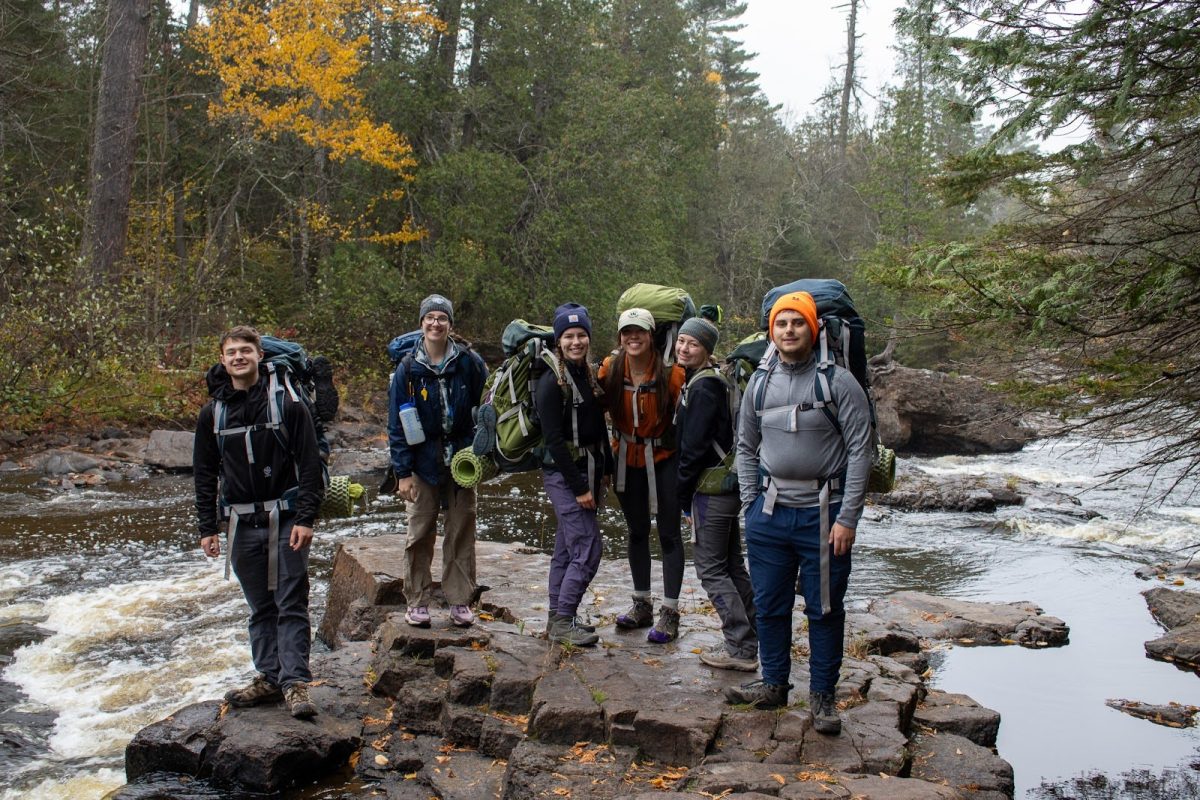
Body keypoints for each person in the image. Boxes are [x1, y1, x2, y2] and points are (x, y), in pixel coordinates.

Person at [725, 292, 872, 736]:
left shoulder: (839, 382)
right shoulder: (760, 383)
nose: (789, 331)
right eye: (782, 324)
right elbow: (746, 447)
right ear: (772, 331)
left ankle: (823, 698)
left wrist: (849, 517)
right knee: (769, 604)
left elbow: (861, 450)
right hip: (768, 514)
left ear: (814, 329)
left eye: (798, 323)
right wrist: (750, 503)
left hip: (825, 516)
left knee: (824, 609)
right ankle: (773, 684)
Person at [194, 325, 325, 719]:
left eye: (246, 351)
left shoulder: (287, 404)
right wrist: (206, 527)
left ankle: (296, 683)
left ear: (259, 356)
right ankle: (269, 676)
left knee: (290, 600)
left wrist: (306, 517)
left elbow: (310, 464)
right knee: (259, 605)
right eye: (231, 352)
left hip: (285, 518)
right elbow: (204, 472)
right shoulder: (212, 413)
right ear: (223, 359)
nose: (239, 357)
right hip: (239, 523)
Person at [389, 294, 489, 628]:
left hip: (461, 460)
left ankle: (459, 600)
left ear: (450, 325)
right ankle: (417, 600)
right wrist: (402, 473)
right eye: (430, 317)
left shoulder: (470, 363)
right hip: (422, 462)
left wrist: (482, 453)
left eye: (442, 318)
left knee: (461, 529)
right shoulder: (407, 370)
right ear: (421, 324)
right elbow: (396, 425)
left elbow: (486, 408)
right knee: (420, 531)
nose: (436, 323)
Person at [674, 317, 758, 672]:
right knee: (732, 565)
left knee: (710, 569)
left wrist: (680, 497)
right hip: (726, 488)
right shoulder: (713, 381)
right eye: (680, 341)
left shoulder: (705, 387)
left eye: (693, 344)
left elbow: (692, 448)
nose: (684, 348)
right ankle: (757, 634)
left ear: (707, 350)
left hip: (710, 491)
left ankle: (739, 648)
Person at [599, 307, 687, 643]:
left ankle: (671, 612)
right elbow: (593, 410)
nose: (632, 338)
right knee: (636, 531)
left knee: (668, 533)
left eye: (640, 332)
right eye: (627, 332)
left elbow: (689, 421)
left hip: (664, 459)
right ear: (620, 337)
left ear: (651, 336)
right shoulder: (610, 368)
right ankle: (641, 604)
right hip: (625, 460)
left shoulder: (671, 373)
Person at [535, 303, 614, 647]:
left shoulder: (585, 374)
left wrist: (606, 471)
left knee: (567, 548)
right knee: (588, 547)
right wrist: (580, 486)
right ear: (558, 340)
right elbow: (553, 440)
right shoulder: (551, 381)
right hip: (564, 476)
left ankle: (557, 618)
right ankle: (565, 619)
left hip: (590, 471)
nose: (576, 341)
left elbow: (598, 429)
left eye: (581, 334)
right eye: (569, 336)